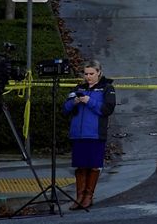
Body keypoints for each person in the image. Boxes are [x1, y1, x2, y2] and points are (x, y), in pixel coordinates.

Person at [63, 61, 117, 210]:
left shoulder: (107, 88)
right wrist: (74, 102)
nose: (88, 77)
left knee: (93, 166)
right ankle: (79, 196)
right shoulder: (79, 88)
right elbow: (65, 109)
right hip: (78, 134)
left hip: (95, 134)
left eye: (91, 74)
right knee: (80, 166)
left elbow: (107, 109)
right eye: (86, 74)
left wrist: (89, 101)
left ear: (99, 72)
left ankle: (88, 196)